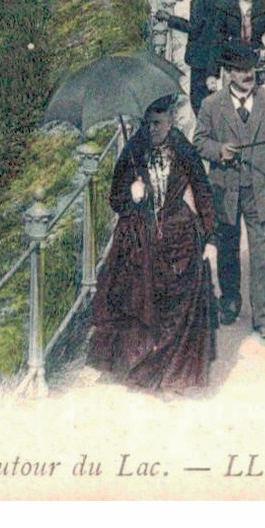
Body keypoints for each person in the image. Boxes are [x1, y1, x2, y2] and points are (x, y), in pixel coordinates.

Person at [87, 95, 218, 392]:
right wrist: (131, 195)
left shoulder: (183, 149)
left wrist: (210, 237)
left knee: (181, 302)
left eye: (157, 123)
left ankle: (174, 372)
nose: (151, 130)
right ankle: (141, 369)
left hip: (178, 232)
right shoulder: (134, 150)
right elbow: (115, 199)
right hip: (139, 236)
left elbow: (202, 190)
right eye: (147, 124)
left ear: (171, 121)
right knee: (138, 299)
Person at [195, 44, 265, 339]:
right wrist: (218, 150)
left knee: (261, 254)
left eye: (250, 68)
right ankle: (230, 301)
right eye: (239, 69)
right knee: (227, 249)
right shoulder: (212, 105)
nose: (247, 74)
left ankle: (262, 316)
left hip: (261, 190)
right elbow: (199, 141)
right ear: (228, 73)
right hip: (226, 191)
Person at [158, 0, 265, 113]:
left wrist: (170, 19)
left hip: (200, 57)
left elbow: (194, 28)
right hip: (217, 56)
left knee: (198, 99)